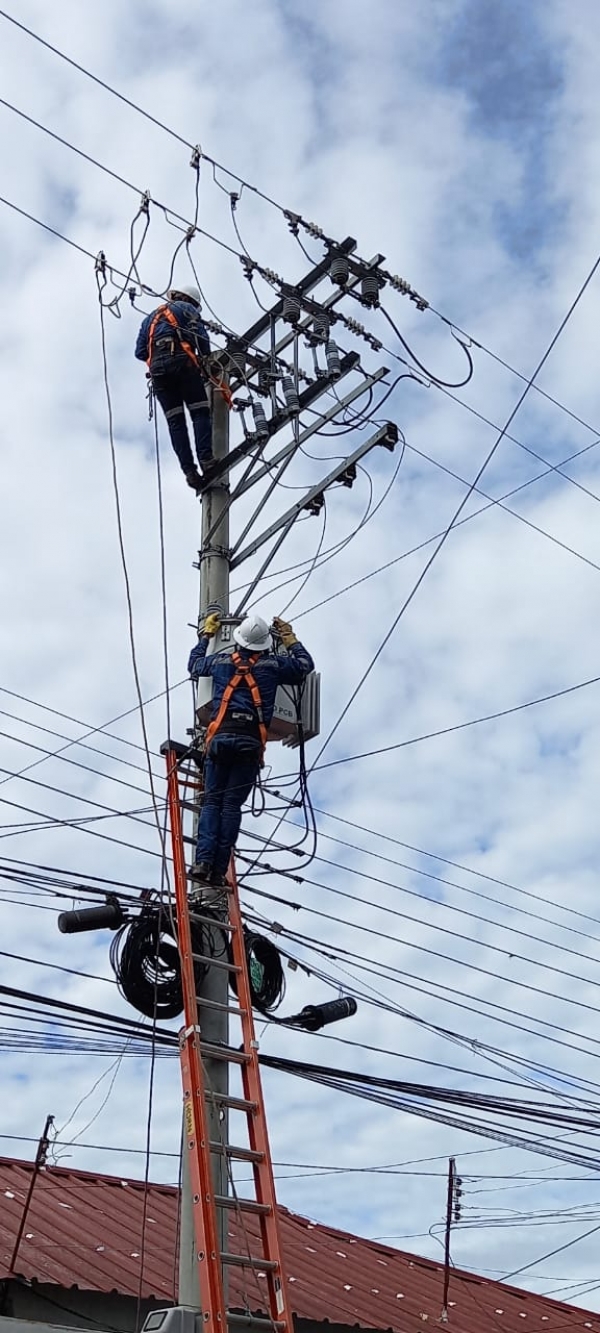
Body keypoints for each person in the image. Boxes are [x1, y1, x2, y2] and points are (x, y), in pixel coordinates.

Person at [188, 610, 315, 886]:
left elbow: (195, 665)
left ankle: (203, 862)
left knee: (212, 801)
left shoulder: (221, 661)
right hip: (250, 743)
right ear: (264, 645)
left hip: (220, 739)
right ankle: (219, 871)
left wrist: (206, 635)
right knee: (231, 806)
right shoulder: (273, 666)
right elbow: (305, 665)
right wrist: (290, 639)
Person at [135, 284, 216, 494]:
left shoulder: (149, 319)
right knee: (199, 412)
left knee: (175, 421)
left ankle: (189, 471)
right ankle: (206, 460)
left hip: (159, 375)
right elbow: (202, 338)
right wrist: (205, 358)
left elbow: (140, 352)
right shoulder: (186, 309)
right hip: (182, 364)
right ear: (192, 302)